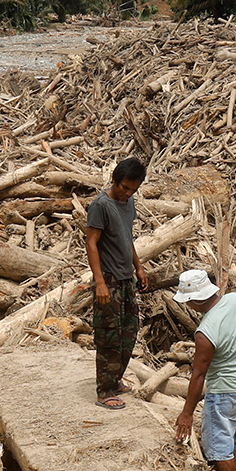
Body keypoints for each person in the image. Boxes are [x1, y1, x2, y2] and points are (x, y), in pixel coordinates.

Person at [171, 269, 236, 471]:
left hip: (226, 389)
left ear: (194, 300)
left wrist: (187, 413)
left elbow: (199, 375)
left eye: (188, 300)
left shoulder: (205, 332)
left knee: (218, 440)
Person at [85, 157, 148, 408]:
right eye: (124, 187)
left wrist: (139, 267)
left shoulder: (128, 202)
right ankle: (104, 391)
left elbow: (126, 237)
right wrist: (100, 282)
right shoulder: (100, 205)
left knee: (129, 332)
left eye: (133, 189)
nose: (128, 193)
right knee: (108, 336)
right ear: (114, 180)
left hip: (126, 278)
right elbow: (91, 243)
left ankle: (115, 379)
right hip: (109, 279)